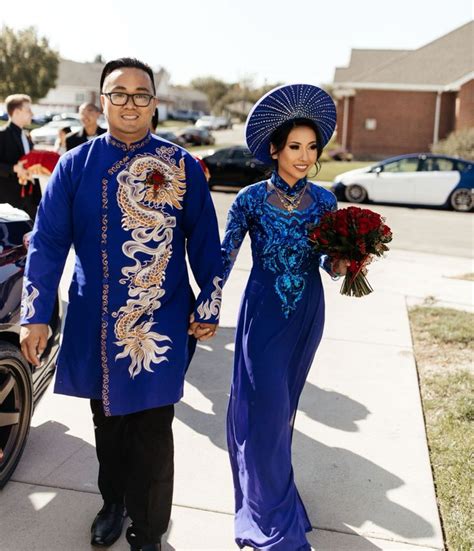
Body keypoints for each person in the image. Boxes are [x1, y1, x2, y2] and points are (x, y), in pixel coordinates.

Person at [20, 57, 223, 551]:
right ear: (103, 100)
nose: (130, 103)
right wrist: (36, 313)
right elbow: (47, 243)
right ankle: (114, 503)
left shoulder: (180, 166)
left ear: (154, 103)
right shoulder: (75, 165)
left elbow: (205, 241)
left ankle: (149, 532)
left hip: (162, 320)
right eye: (119, 93)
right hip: (95, 318)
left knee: (154, 430)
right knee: (107, 426)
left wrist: (209, 305)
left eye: (141, 94)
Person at [221, 84, 350, 551]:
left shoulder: (324, 202)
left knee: (283, 411)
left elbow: (328, 264)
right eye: (294, 146)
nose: (303, 156)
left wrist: (347, 261)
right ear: (274, 148)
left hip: (306, 315)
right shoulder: (251, 200)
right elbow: (225, 256)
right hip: (262, 314)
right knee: (266, 408)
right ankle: (269, 512)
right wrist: (206, 306)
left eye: (311, 147)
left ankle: (276, 492)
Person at [0, 94, 41, 219]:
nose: (32, 114)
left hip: (28, 198)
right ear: (17, 112)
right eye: (28, 110)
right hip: (8, 201)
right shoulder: (2, 134)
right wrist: (14, 168)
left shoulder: (26, 135)